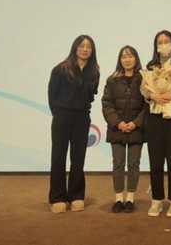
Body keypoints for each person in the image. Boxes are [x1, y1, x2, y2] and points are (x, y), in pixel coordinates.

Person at [140, 30, 171, 217]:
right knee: (155, 159)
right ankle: (156, 200)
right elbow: (143, 87)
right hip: (154, 115)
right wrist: (151, 95)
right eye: (159, 42)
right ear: (156, 46)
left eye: (166, 41)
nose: (163, 45)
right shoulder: (150, 65)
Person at [48, 35, 100, 214]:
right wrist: (59, 113)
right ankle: (58, 198)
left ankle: (76, 196)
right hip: (62, 117)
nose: (85, 49)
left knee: (78, 159)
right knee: (58, 158)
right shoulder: (60, 69)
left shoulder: (94, 71)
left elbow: (91, 95)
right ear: (75, 47)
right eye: (81, 46)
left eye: (89, 46)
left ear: (92, 50)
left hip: (82, 119)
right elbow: (52, 96)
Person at [101, 45, 145, 213]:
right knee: (118, 164)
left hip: (137, 129)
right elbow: (107, 104)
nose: (127, 59)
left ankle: (130, 198)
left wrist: (136, 123)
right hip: (116, 129)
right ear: (120, 60)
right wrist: (118, 123)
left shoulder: (144, 79)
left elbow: (147, 105)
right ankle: (119, 198)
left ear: (136, 58)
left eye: (130, 56)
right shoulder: (112, 80)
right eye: (124, 56)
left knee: (134, 164)